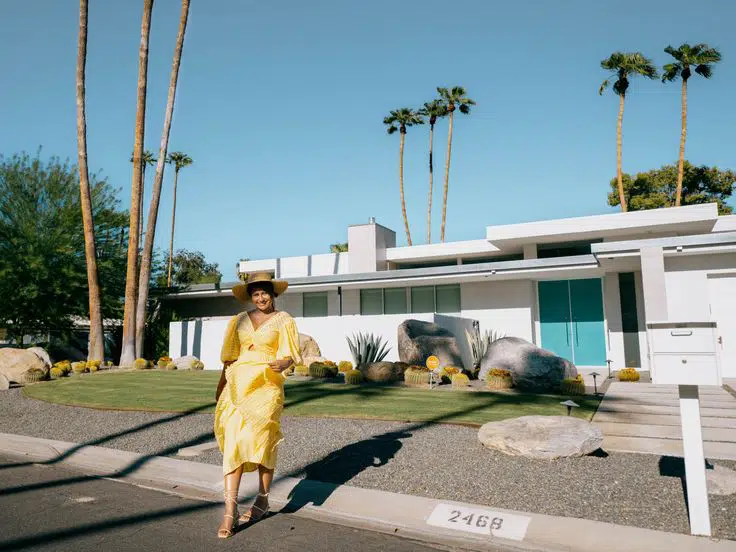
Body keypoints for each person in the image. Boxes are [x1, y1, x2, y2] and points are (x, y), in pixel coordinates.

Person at [214, 272, 302, 538]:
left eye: (264, 292)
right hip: (237, 385)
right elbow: (229, 358)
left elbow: (291, 354)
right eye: (256, 293)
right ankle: (230, 510)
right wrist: (220, 388)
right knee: (234, 442)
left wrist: (284, 363)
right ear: (250, 297)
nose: (261, 297)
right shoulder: (238, 320)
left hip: (266, 385)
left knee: (263, 441)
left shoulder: (283, 320)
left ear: (273, 294)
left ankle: (262, 500)